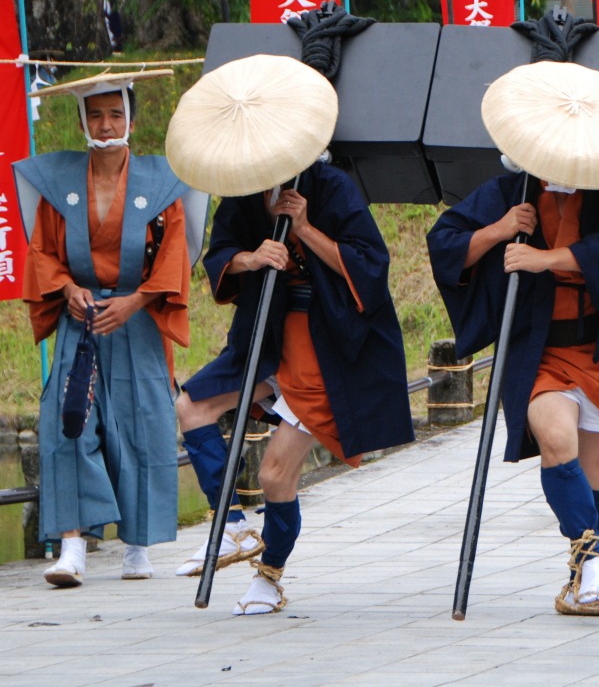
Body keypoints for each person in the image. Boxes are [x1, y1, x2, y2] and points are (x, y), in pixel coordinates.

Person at [167, 55, 414, 615]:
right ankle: (230, 523)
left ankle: (270, 575)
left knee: (277, 471)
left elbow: (370, 265)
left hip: (326, 343)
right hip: (263, 333)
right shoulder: (243, 188)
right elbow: (220, 256)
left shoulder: (332, 185)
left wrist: (304, 228)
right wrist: (252, 258)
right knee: (190, 408)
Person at [428, 58, 599, 618]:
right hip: (541, 351)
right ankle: (594, 565)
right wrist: (501, 230)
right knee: (556, 440)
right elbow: (446, 242)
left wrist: (543, 257)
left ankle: (584, 583)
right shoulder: (510, 189)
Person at [16, 70, 192, 587]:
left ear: (131, 119)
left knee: (141, 428)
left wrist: (137, 300)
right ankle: (72, 545)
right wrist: (68, 290)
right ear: (81, 121)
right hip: (84, 321)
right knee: (66, 423)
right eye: (96, 114)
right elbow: (44, 251)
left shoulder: (161, 183)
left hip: (136, 325)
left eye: (116, 113)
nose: (107, 124)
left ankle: (137, 547)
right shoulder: (60, 182)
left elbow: (176, 254)